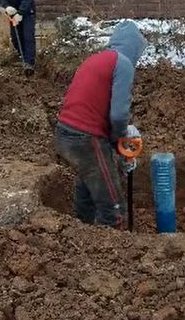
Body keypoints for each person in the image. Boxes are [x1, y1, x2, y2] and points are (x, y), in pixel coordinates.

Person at [54, 21, 148, 229]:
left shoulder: (96, 59)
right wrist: (122, 140)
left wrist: (117, 146)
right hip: (84, 138)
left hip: (64, 133)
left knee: (87, 188)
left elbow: (95, 106)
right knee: (113, 206)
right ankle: (114, 252)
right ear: (133, 47)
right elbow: (118, 115)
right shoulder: (122, 63)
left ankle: (83, 232)